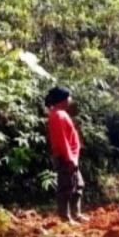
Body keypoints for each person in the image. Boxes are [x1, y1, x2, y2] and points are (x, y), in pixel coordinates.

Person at [45, 86, 87, 224]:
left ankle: (76, 214)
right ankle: (66, 218)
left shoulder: (61, 114)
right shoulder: (57, 115)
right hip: (66, 157)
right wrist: (69, 158)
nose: (71, 100)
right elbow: (61, 140)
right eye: (69, 97)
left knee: (78, 185)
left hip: (70, 157)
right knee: (66, 187)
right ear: (62, 99)